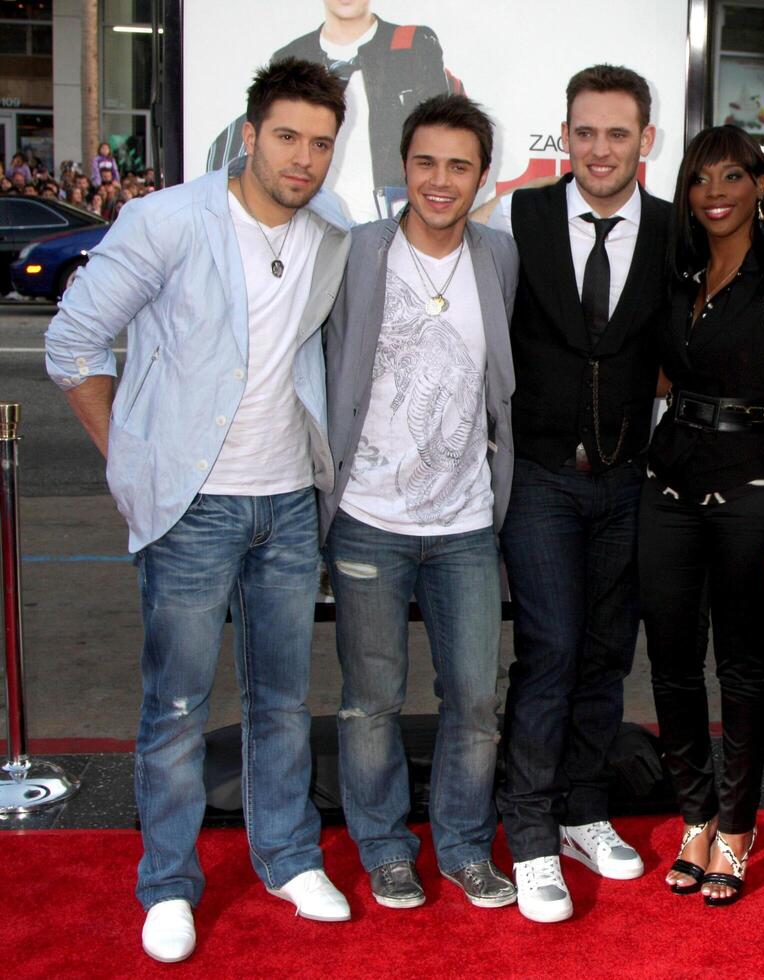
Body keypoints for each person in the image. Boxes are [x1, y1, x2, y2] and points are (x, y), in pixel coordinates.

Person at [44, 58, 355, 963]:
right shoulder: (165, 221)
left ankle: (288, 857)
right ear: (250, 134)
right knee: (176, 705)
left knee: (284, 698)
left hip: (289, 503)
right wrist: (134, 457)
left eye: (323, 144)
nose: (304, 160)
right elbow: (72, 344)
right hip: (193, 509)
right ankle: (169, 883)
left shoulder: (330, 229)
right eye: (288, 137)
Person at [320, 94, 518, 913]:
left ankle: (467, 846)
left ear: (483, 177)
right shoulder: (354, 252)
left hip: (468, 523)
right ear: (403, 168)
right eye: (426, 163)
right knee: (372, 701)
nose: (440, 181)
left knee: (474, 701)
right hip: (368, 516)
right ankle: (385, 849)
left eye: (459, 165)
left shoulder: (500, 259)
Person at [484, 64, 669, 924]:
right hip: (543, 479)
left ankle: (585, 810)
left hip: (631, 478)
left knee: (606, 652)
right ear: (565, 137)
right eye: (586, 132)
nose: (600, 149)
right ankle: (527, 829)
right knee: (551, 649)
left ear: (646, 142)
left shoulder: (673, 232)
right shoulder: (514, 220)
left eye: (618, 133)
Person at [645, 125, 764, 906]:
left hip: (753, 497)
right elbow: (661, 378)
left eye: (732, 176)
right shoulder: (680, 271)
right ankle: (694, 814)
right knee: (670, 662)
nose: (714, 191)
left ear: (761, 184)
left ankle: (738, 826)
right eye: (700, 178)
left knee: (742, 664)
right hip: (669, 486)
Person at [206, 0, 461, 222]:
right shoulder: (290, 54)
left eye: (320, 144)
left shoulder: (414, 44)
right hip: (308, 226)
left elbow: (443, 138)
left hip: (391, 224)